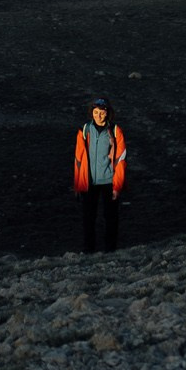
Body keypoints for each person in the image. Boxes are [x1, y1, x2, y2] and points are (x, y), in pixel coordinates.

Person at [73, 96, 127, 253]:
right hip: (89, 182)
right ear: (92, 113)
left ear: (107, 113)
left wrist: (118, 186)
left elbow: (120, 160)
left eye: (102, 112)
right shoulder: (84, 131)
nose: (99, 115)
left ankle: (111, 250)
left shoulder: (116, 132)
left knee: (111, 218)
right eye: (96, 112)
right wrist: (78, 184)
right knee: (88, 219)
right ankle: (89, 250)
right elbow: (78, 159)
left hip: (109, 182)